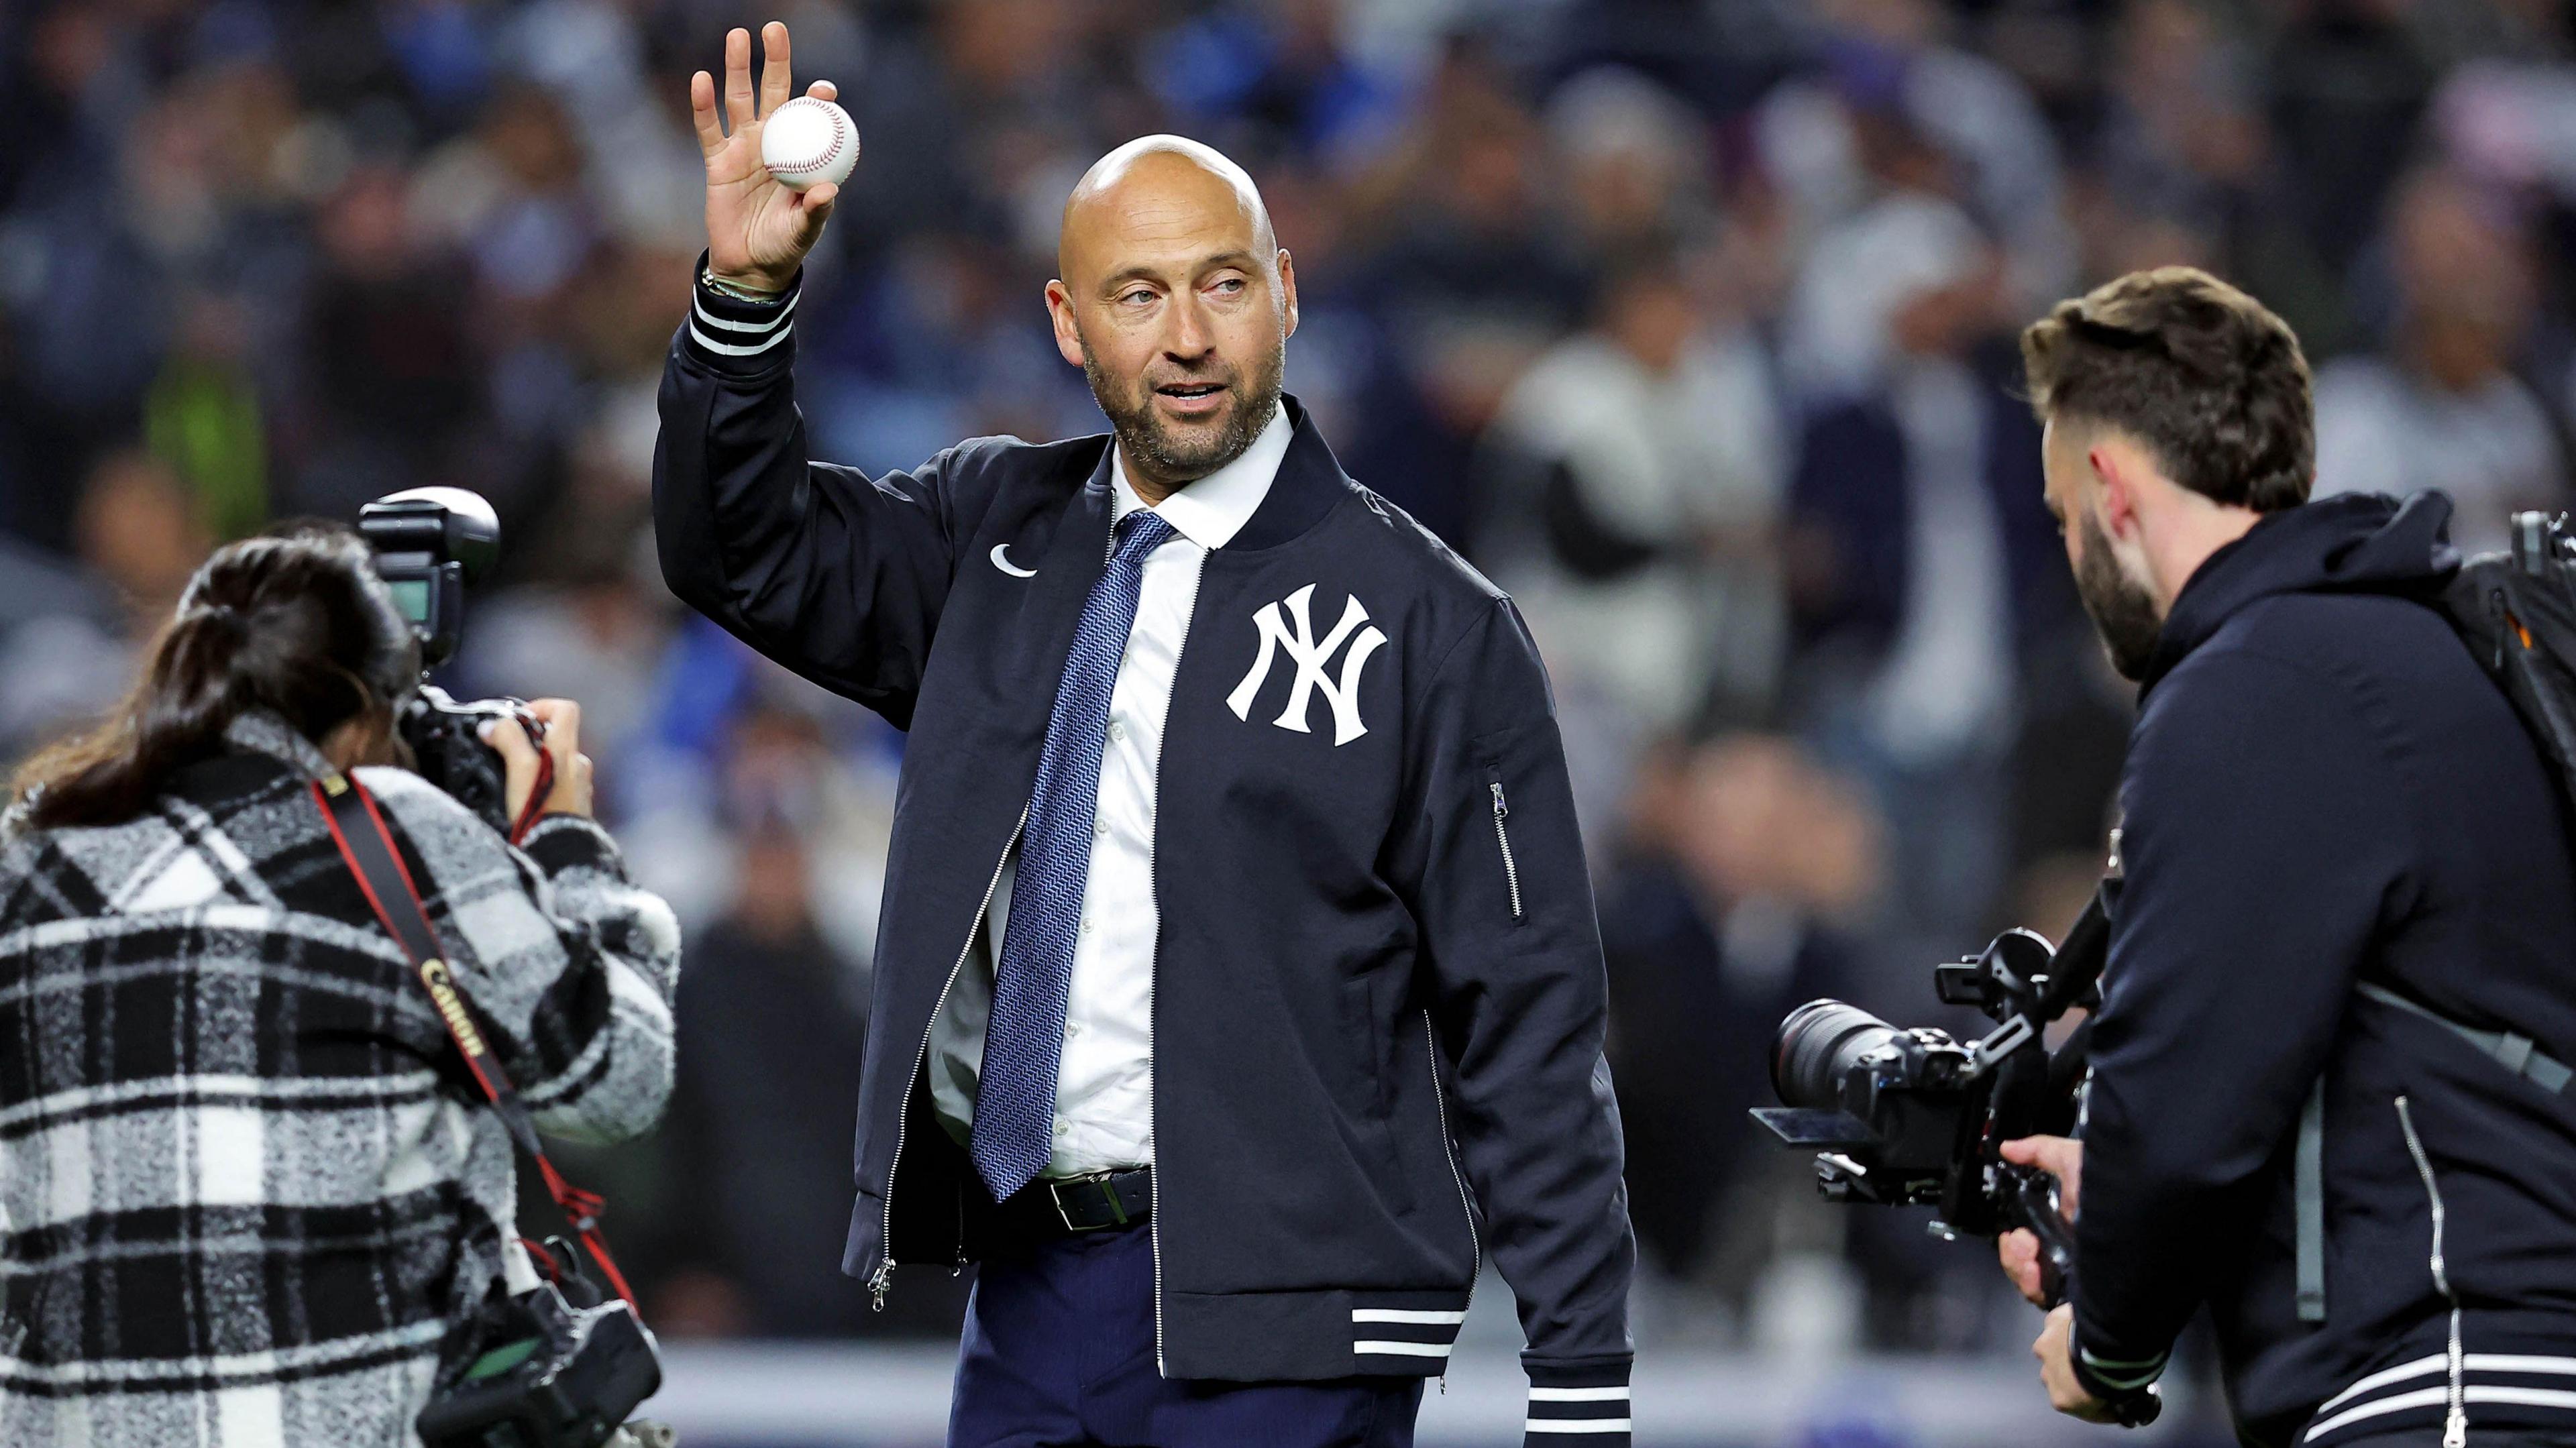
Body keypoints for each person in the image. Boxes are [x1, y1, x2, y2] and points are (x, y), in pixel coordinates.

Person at [653, 23, 1634, 1448]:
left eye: (1222, 285)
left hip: (1297, 1327)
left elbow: (1531, 1020)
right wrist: (745, 297)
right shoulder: (986, 539)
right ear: (1067, 324)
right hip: (1030, 1296)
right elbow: (737, 550)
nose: (1186, 337)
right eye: (1137, 295)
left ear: (1285, 295)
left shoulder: (1433, 621)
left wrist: (1585, 1384)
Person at [1993, 266, 2576, 1447]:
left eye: (2060, 515)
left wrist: (2108, 1331)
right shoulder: (2414, 651)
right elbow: (2367, 1044)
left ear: (2109, 486)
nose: (2069, 548)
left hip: (2459, 1374)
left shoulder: (2260, 686)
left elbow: (2188, 1093)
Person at [0, 526, 680, 1447]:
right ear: (365, 713)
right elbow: (618, 1080)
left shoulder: (31, 864)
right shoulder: (392, 833)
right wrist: (565, 843)